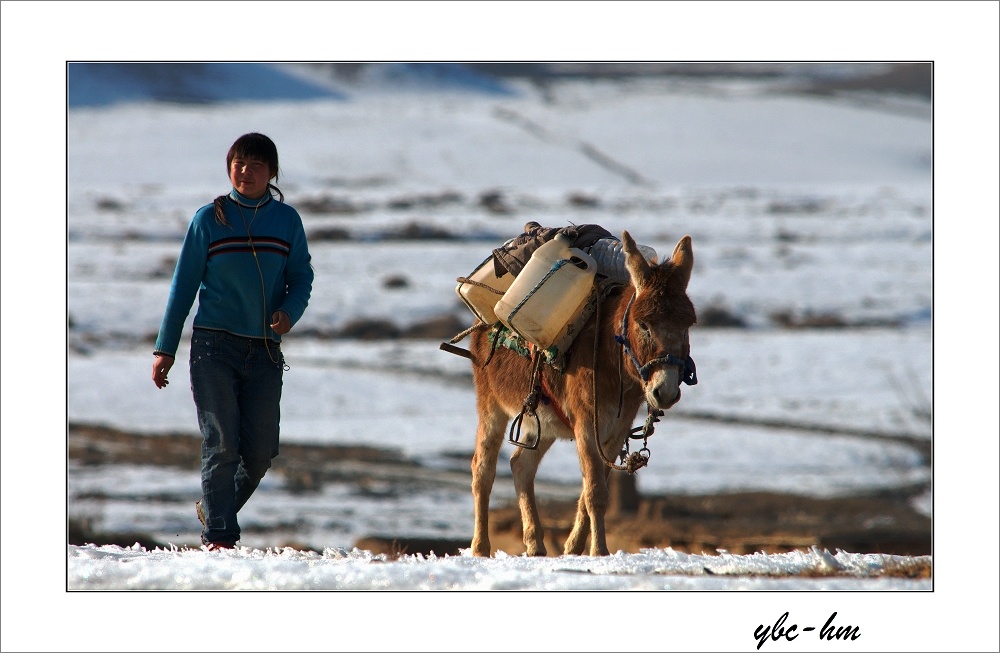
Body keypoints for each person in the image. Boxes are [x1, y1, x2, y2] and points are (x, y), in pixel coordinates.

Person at [151, 132, 314, 551]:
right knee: (221, 442)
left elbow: (302, 278)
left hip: (263, 350)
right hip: (213, 347)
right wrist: (164, 348)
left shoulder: (287, 221)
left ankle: (213, 507)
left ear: (272, 172)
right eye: (239, 163)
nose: (246, 171)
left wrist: (288, 313)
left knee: (259, 454)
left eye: (256, 165)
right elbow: (182, 286)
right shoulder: (209, 219)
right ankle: (221, 538)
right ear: (229, 167)